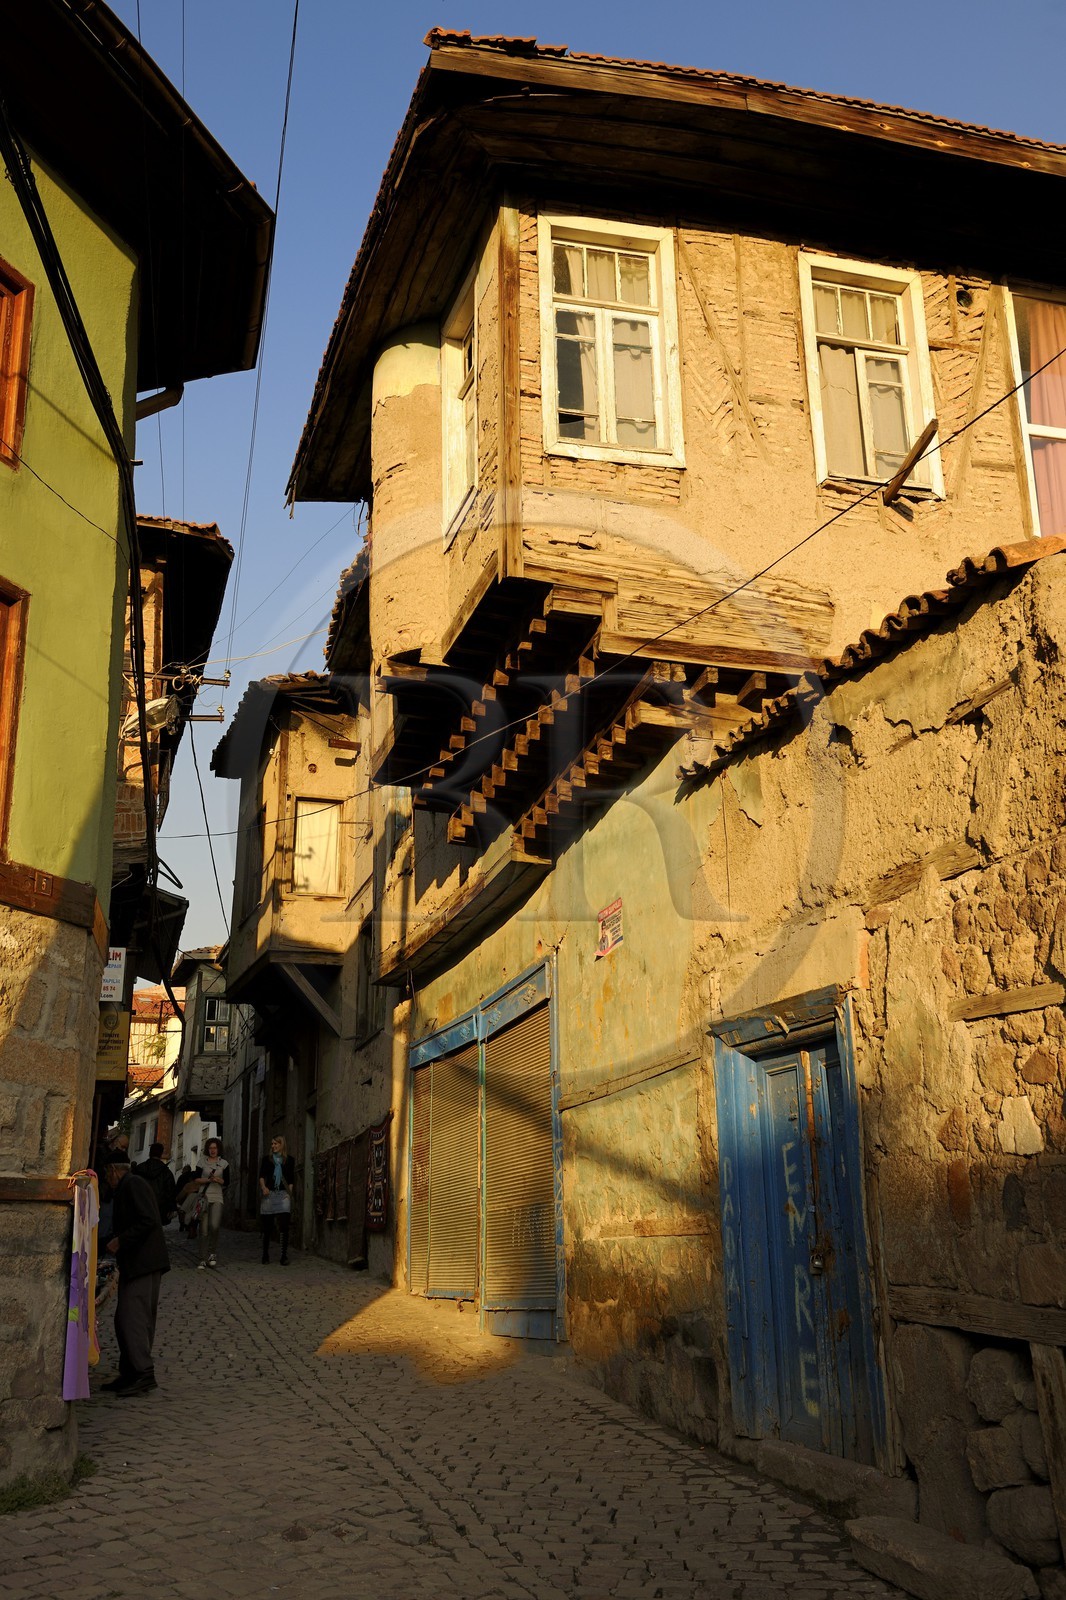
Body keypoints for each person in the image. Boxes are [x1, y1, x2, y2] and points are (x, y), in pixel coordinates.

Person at [100, 1150, 169, 1397]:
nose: (107, 1179)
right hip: (139, 1261)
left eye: (108, 1174)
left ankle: (143, 1372)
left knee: (134, 1317)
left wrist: (121, 1241)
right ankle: (130, 1371)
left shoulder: (134, 1184)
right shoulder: (126, 1186)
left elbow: (149, 1220)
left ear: (114, 1171)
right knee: (126, 1318)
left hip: (145, 1261)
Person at [191, 1137, 228, 1270]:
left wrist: (218, 1179)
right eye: (211, 1148)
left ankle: (212, 1253)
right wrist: (207, 1179)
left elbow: (227, 1182)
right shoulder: (201, 1162)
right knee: (204, 1230)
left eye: (215, 1148)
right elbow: (195, 1178)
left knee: (215, 1226)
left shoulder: (224, 1163)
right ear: (208, 1149)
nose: (213, 1150)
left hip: (217, 1197)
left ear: (218, 1149)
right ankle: (202, 1258)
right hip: (204, 1198)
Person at [259, 1136, 295, 1265]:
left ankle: (283, 1256)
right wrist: (263, 1188)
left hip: (283, 1194)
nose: (273, 1146)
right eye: (272, 1143)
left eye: (275, 1143)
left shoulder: (289, 1160)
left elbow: (290, 1179)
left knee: (284, 1226)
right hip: (269, 1194)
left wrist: (289, 1194)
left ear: (281, 1145)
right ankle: (265, 1254)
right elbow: (262, 1176)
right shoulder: (267, 1160)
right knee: (267, 1226)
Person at [135, 1142, 178, 1226]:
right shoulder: (166, 1172)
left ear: (150, 1152)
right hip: (160, 1208)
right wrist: (172, 1208)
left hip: (140, 1206)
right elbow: (170, 1192)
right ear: (161, 1153)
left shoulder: (139, 1169)